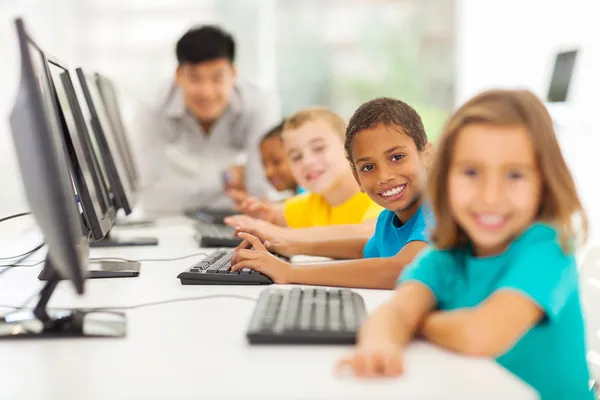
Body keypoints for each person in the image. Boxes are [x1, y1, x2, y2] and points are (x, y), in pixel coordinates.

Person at [337, 89, 592, 400]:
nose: (490, 196)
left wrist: (419, 322)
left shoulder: (548, 248)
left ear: (545, 180)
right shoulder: (446, 254)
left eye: (514, 174)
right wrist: (379, 345)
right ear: (446, 177)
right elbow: (392, 314)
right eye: (471, 172)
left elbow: (480, 334)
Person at [230, 98, 433, 289]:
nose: (384, 176)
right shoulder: (388, 220)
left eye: (397, 157)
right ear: (357, 178)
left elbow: (400, 269)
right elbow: (364, 248)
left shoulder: (440, 211)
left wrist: (289, 272)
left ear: (427, 156)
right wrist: (289, 245)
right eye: (368, 167)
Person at [131, 25, 280, 216]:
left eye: (217, 78)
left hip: (232, 218)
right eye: (194, 78)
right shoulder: (152, 108)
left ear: (233, 74)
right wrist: (226, 180)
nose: (206, 92)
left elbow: (260, 193)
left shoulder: (259, 103)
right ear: (178, 76)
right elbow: (148, 192)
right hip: (176, 218)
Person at [224, 106, 382, 229]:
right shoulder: (311, 204)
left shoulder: (378, 195)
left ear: (350, 147)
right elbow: (273, 214)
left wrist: (282, 236)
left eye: (318, 148)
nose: (307, 161)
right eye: (296, 157)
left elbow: (367, 234)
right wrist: (261, 216)